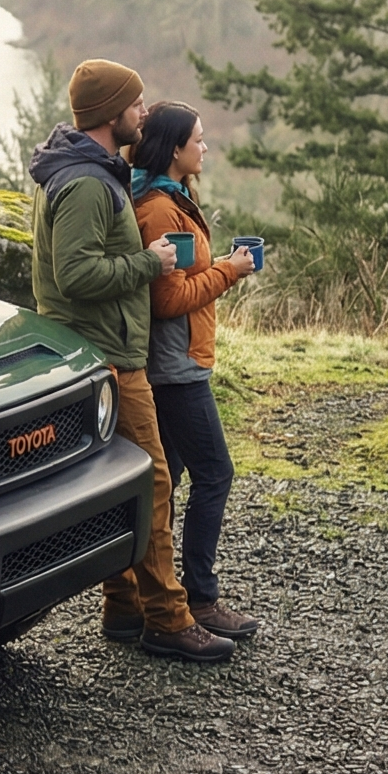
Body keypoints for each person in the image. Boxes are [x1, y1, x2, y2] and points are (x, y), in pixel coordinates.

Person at [27, 60, 235, 662]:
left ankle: (122, 606)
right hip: (108, 353)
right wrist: (151, 262)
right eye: (136, 105)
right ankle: (168, 619)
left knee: (126, 483)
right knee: (154, 482)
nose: (143, 114)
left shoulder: (85, 172)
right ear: (110, 113)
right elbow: (77, 273)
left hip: (104, 348)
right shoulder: (89, 184)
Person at [128, 102, 259, 639]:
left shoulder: (173, 198)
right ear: (175, 149)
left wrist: (220, 266)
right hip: (176, 368)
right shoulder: (160, 209)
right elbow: (170, 299)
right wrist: (230, 270)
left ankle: (151, 594)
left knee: (171, 480)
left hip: (178, 362)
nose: (205, 148)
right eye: (199, 141)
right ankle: (201, 599)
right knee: (214, 474)